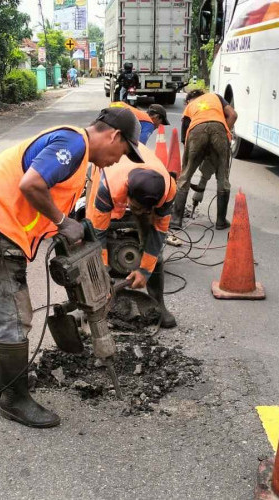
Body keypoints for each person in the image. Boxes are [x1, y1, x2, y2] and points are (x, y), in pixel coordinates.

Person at [0, 107, 143, 428]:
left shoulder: (78, 155)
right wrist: (61, 221)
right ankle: (15, 399)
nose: (118, 160)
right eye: (123, 151)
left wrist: (66, 228)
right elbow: (31, 184)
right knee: (15, 316)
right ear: (113, 136)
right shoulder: (75, 144)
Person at [86, 144, 177, 328]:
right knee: (89, 237)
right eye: (136, 207)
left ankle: (158, 304)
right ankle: (92, 305)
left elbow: (158, 234)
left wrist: (145, 270)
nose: (139, 212)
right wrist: (103, 274)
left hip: (143, 182)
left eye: (145, 209)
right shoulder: (108, 187)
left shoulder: (168, 191)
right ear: (127, 193)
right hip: (107, 173)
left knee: (154, 249)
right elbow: (99, 235)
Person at [171, 89, 237, 230]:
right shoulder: (216, 97)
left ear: (190, 100)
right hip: (219, 129)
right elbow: (233, 115)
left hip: (196, 131)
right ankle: (220, 221)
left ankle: (176, 220)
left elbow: (186, 141)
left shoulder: (189, 107)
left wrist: (196, 156)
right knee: (222, 178)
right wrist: (224, 132)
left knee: (185, 176)